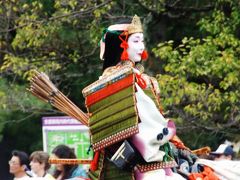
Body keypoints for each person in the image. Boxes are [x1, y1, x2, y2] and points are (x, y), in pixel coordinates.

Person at [82, 15, 187, 179]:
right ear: (121, 44)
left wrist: (179, 146)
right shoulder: (112, 80)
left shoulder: (144, 79)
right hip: (127, 160)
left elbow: (157, 118)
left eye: (142, 41)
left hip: (154, 152)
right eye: (136, 41)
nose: (141, 46)